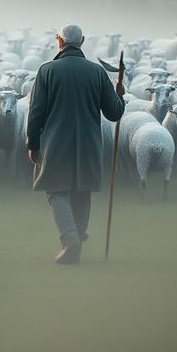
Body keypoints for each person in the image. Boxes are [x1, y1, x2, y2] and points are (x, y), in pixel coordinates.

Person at [25, 23, 126, 265]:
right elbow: (114, 113)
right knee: (82, 189)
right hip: (89, 142)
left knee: (56, 191)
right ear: (81, 41)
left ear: (59, 41)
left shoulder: (47, 70)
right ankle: (78, 235)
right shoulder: (97, 72)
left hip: (56, 143)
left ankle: (71, 239)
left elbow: (36, 111)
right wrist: (119, 94)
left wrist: (33, 143)